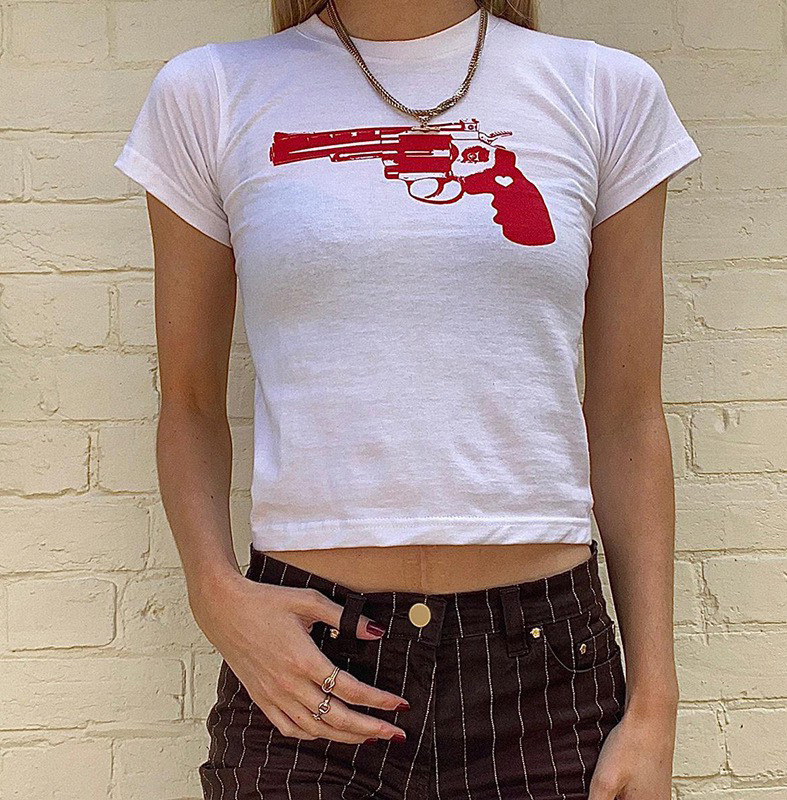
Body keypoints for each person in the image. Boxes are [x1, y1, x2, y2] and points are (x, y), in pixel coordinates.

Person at [114, 0, 701, 797]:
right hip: (309, 666)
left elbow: (629, 413)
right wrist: (215, 594)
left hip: (545, 672)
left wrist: (655, 703)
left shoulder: (605, 90)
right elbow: (187, 403)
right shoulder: (211, 92)